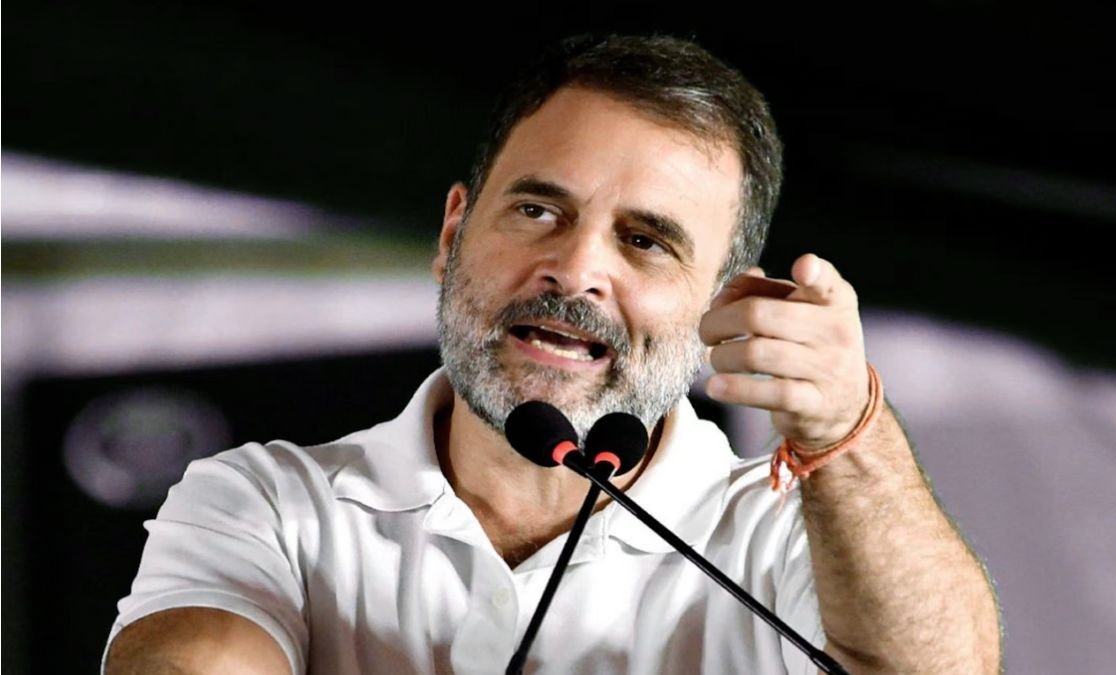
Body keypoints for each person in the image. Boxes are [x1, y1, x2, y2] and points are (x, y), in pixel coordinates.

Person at [104, 34, 1001, 674]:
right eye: (538, 210)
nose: (574, 270)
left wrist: (847, 426)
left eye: (645, 241)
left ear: (722, 301)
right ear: (454, 232)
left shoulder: (778, 539)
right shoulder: (267, 503)